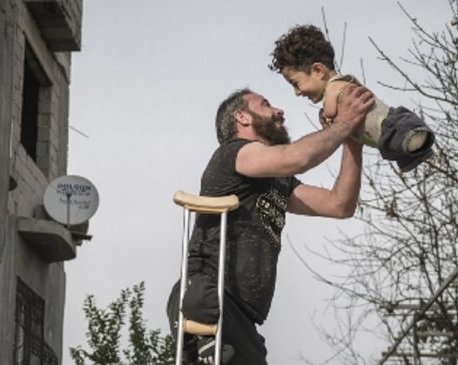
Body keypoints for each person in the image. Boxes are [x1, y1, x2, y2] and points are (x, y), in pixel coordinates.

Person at [166, 84, 374, 364]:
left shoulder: (278, 180)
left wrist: (352, 141)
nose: (279, 110)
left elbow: (340, 204)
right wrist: (344, 122)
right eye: (265, 104)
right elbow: (298, 158)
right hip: (210, 298)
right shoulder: (235, 153)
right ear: (243, 118)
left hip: (243, 317)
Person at [269, 24, 435, 172]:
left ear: (318, 70)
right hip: (385, 136)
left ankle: (416, 140)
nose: (297, 92)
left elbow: (331, 112)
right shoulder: (341, 85)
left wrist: (327, 122)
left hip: (390, 125)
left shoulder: (335, 86)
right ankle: (418, 150)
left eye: (296, 83)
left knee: (404, 136)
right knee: (403, 147)